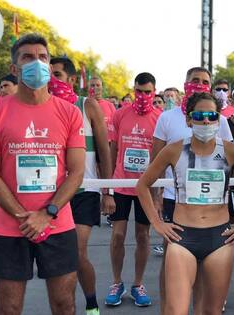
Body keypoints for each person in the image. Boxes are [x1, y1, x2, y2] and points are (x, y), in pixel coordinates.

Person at [0, 34, 86, 315]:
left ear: (50, 67)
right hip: (11, 225)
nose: (36, 62)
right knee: (9, 308)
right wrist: (24, 217)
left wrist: (46, 213)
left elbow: (76, 172)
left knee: (65, 305)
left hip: (57, 223)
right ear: (14, 68)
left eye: (42, 57)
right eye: (27, 57)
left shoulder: (69, 113)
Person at [137, 92, 234, 314]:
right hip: (183, 238)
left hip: (219, 237)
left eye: (212, 115)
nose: (206, 121)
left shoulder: (231, 151)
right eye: (199, 116)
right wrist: (157, 222)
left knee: (212, 311)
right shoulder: (174, 149)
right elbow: (143, 185)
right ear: (189, 119)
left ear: (219, 118)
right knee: (176, 310)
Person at [151, 66, 233, 314]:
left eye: (204, 81)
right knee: (172, 278)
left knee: (207, 297)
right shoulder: (167, 118)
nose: (205, 121)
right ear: (185, 84)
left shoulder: (224, 124)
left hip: (216, 223)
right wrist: (156, 215)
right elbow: (153, 164)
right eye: (194, 80)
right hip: (175, 207)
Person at [50, 56, 115, 315]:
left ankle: (90, 304)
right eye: (49, 75)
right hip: (53, 194)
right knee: (60, 257)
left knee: (76, 251)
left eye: (57, 75)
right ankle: (66, 306)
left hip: (85, 190)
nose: (51, 81)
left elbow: (104, 149)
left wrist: (107, 191)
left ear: (73, 80)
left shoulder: (87, 105)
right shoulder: (42, 107)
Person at [105, 72, 161, 307]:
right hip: (121, 184)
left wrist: (157, 195)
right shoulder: (120, 115)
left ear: (154, 92)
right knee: (117, 235)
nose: (143, 96)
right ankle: (117, 283)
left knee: (142, 236)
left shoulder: (160, 118)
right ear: (133, 89)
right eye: (139, 91)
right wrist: (106, 189)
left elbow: (160, 159)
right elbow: (112, 151)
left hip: (144, 187)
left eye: (148, 92)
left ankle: (138, 284)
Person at [88, 76, 116, 141]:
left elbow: (115, 127)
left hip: (106, 144)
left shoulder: (110, 105)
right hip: (89, 144)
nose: (95, 87)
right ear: (88, 88)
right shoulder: (84, 104)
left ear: (101, 87)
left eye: (98, 85)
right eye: (92, 85)